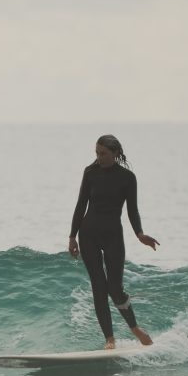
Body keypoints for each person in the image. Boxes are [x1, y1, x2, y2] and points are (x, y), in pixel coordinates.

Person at [68, 135, 160, 349]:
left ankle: (135, 328)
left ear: (116, 153)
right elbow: (81, 205)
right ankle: (109, 339)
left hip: (113, 236)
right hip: (88, 234)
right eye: (97, 153)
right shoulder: (90, 173)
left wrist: (140, 233)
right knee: (98, 287)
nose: (99, 158)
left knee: (115, 288)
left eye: (103, 154)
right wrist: (72, 236)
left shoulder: (127, 177)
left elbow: (132, 209)